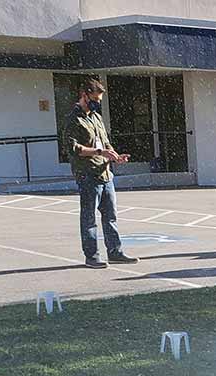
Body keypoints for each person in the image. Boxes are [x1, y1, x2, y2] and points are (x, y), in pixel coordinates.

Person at [63, 78, 138, 268]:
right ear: (84, 95)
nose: (97, 103)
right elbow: (73, 148)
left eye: (99, 100)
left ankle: (115, 252)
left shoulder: (96, 117)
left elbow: (105, 143)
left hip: (105, 173)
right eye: (94, 98)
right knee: (89, 219)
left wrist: (114, 156)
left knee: (110, 217)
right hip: (87, 175)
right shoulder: (74, 119)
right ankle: (92, 256)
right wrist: (98, 152)